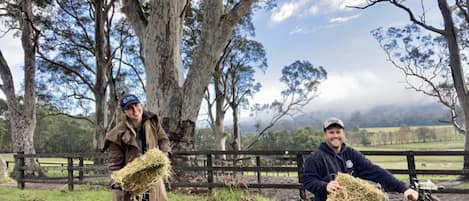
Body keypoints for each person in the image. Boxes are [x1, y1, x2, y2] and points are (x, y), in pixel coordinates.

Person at [302, 117, 418, 201]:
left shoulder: (351, 154)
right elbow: (308, 180)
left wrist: (403, 188)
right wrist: (325, 186)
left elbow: (375, 171)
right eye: (331, 132)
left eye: (338, 132)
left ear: (343, 134)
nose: (335, 135)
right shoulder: (316, 157)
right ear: (325, 135)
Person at [104, 94, 172, 201]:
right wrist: (123, 183)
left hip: (153, 179)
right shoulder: (116, 134)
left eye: (136, 105)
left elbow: (164, 140)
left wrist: (164, 155)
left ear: (141, 104)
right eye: (129, 108)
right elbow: (114, 166)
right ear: (124, 112)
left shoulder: (153, 121)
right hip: (132, 184)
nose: (135, 110)